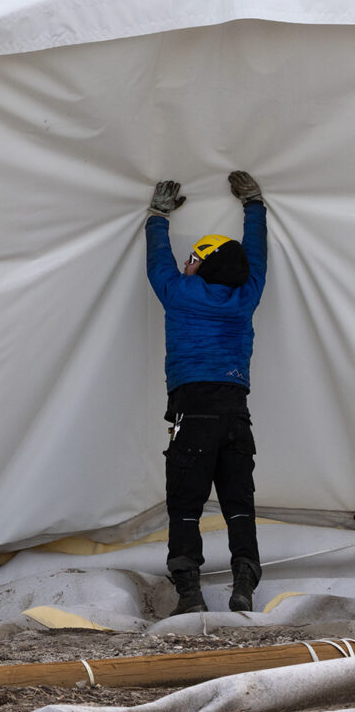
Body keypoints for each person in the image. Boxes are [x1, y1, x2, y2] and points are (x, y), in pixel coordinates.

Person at [144, 171, 268, 615]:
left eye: (194, 258)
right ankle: (244, 587)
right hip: (236, 414)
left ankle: (190, 595)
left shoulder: (179, 294)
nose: (186, 264)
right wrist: (254, 207)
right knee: (238, 504)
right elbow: (256, 256)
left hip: (191, 413)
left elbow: (157, 260)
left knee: (185, 505)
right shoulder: (246, 297)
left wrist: (158, 216)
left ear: (206, 264)